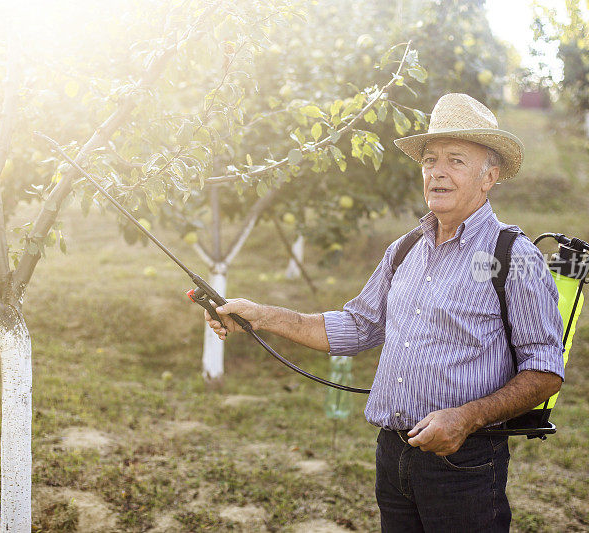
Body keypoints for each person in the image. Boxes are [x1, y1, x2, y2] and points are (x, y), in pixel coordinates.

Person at [203, 93, 564, 532]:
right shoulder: (405, 249)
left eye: (456, 160)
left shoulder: (513, 257)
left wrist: (466, 418)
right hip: (393, 456)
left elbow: (545, 372)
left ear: (489, 177)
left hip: (465, 462)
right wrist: (260, 315)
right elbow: (357, 326)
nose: (438, 172)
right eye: (430, 160)